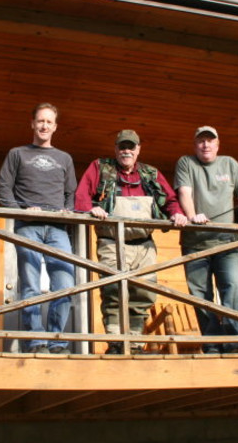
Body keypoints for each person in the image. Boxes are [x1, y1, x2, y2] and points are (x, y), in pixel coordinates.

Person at [75, 130, 187, 354]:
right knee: (113, 291)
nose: (126, 151)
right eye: (122, 147)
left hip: (145, 244)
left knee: (143, 292)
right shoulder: (100, 167)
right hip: (111, 241)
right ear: (116, 149)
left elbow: (171, 200)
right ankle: (117, 343)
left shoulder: (150, 173)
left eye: (131, 147)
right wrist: (92, 208)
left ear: (138, 150)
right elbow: (80, 197)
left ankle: (134, 343)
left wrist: (177, 213)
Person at [0, 103, 77, 354]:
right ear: (32, 123)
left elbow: (70, 192)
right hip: (27, 227)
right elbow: (3, 188)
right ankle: (35, 341)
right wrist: (21, 211)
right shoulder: (17, 153)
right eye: (40, 121)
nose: (44, 126)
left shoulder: (65, 158)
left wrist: (67, 211)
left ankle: (56, 340)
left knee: (64, 283)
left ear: (55, 127)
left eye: (49, 122)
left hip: (57, 229)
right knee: (30, 284)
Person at [175, 125, 238, 354]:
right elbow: (184, 192)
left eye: (210, 141)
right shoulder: (186, 162)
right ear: (195, 145)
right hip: (195, 242)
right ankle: (211, 345)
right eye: (201, 141)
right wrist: (193, 217)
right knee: (200, 296)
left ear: (218, 145)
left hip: (226, 241)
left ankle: (233, 344)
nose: (205, 145)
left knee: (232, 288)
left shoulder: (229, 163)